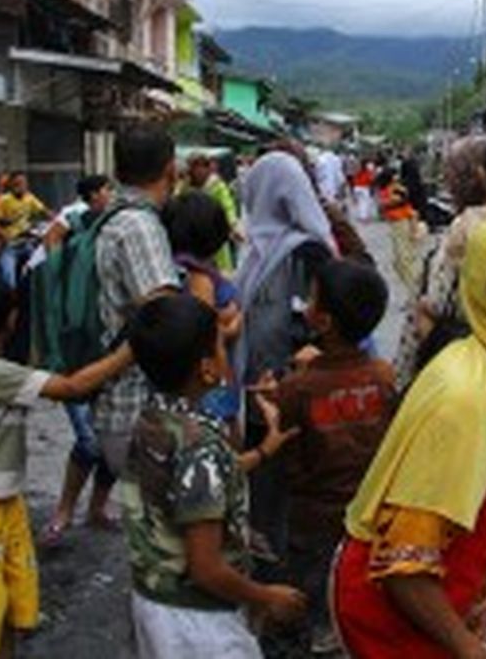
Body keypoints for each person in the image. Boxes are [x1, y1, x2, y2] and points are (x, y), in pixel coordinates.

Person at [332, 208, 486, 658]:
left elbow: (475, 514)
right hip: (390, 612)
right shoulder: (464, 396)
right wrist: (468, 647)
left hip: (448, 594)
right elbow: (402, 568)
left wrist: (479, 584)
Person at [0, 269, 132, 658]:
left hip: (0, 501)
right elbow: (72, 388)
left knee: (8, 597)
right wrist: (128, 351)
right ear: (12, 317)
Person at [120, 295, 306, 658]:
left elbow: (197, 485)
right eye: (222, 344)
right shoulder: (201, 447)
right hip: (198, 621)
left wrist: (265, 448)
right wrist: (265, 596)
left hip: (154, 601)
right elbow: (206, 568)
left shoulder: (153, 420)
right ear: (207, 369)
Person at [272, 259, 395, 655]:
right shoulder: (383, 375)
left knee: (315, 592)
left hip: (313, 518)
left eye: (311, 299)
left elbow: (288, 452)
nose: (305, 304)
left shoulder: (297, 387)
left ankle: (324, 638)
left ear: (322, 321)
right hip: (371, 513)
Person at [234, 151, 335, 568]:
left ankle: (292, 577)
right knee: (268, 482)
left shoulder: (307, 251)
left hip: (291, 389)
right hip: (261, 391)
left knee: (292, 484)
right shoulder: (257, 245)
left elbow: (319, 326)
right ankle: (271, 564)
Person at [93, 125, 182, 480]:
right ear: (171, 169)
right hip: (136, 408)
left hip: (116, 406)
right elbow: (164, 322)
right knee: (169, 529)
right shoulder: (139, 227)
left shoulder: (110, 217)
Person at [38, 174, 119, 546]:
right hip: (73, 351)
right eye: (105, 191)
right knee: (89, 439)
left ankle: (96, 508)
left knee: (112, 439)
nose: (111, 196)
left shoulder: (115, 231)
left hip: (106, 350)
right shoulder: (73, 226)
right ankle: (65, 510)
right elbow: (50, 248)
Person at [394, 134, 486, 389]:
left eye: (451, 174)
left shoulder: (464, 231)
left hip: (458, 378)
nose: (447, 182)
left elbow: (435, 310)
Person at [163, 191, 244, 422]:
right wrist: (233, 326)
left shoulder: (175, 265)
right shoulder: (199, 277)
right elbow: (202, 331)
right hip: (208, 379)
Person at [0, 172, 52, 289]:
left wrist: (57, 218)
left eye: (23, 183)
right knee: (8, 277)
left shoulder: (29, 198)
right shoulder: (4, 200)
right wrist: (4, 235)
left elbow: (44, 211)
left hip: (27, 242)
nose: (21, 186)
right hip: (11, 245)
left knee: (41, 265)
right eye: (17, 184)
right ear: (11, 185)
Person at [186, 154, 241, 272]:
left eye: (201, 167)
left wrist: (233, 225)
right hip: (192, 238)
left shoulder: (218, 186)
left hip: (216, 236)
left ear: (207, 168)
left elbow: (228, 206)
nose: (199, 172)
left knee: (221, 272)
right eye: (195, 167)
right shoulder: (185, 187)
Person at [378, 168, 421, 289]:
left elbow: (399, 199)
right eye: (395, 175)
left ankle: (415, 289)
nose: (397, 177)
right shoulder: (391, 188)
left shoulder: (397, 188)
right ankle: (413, 288)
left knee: (404, 260)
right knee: (399, 262)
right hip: (397, 223)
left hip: (401, 222)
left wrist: (384, 204)